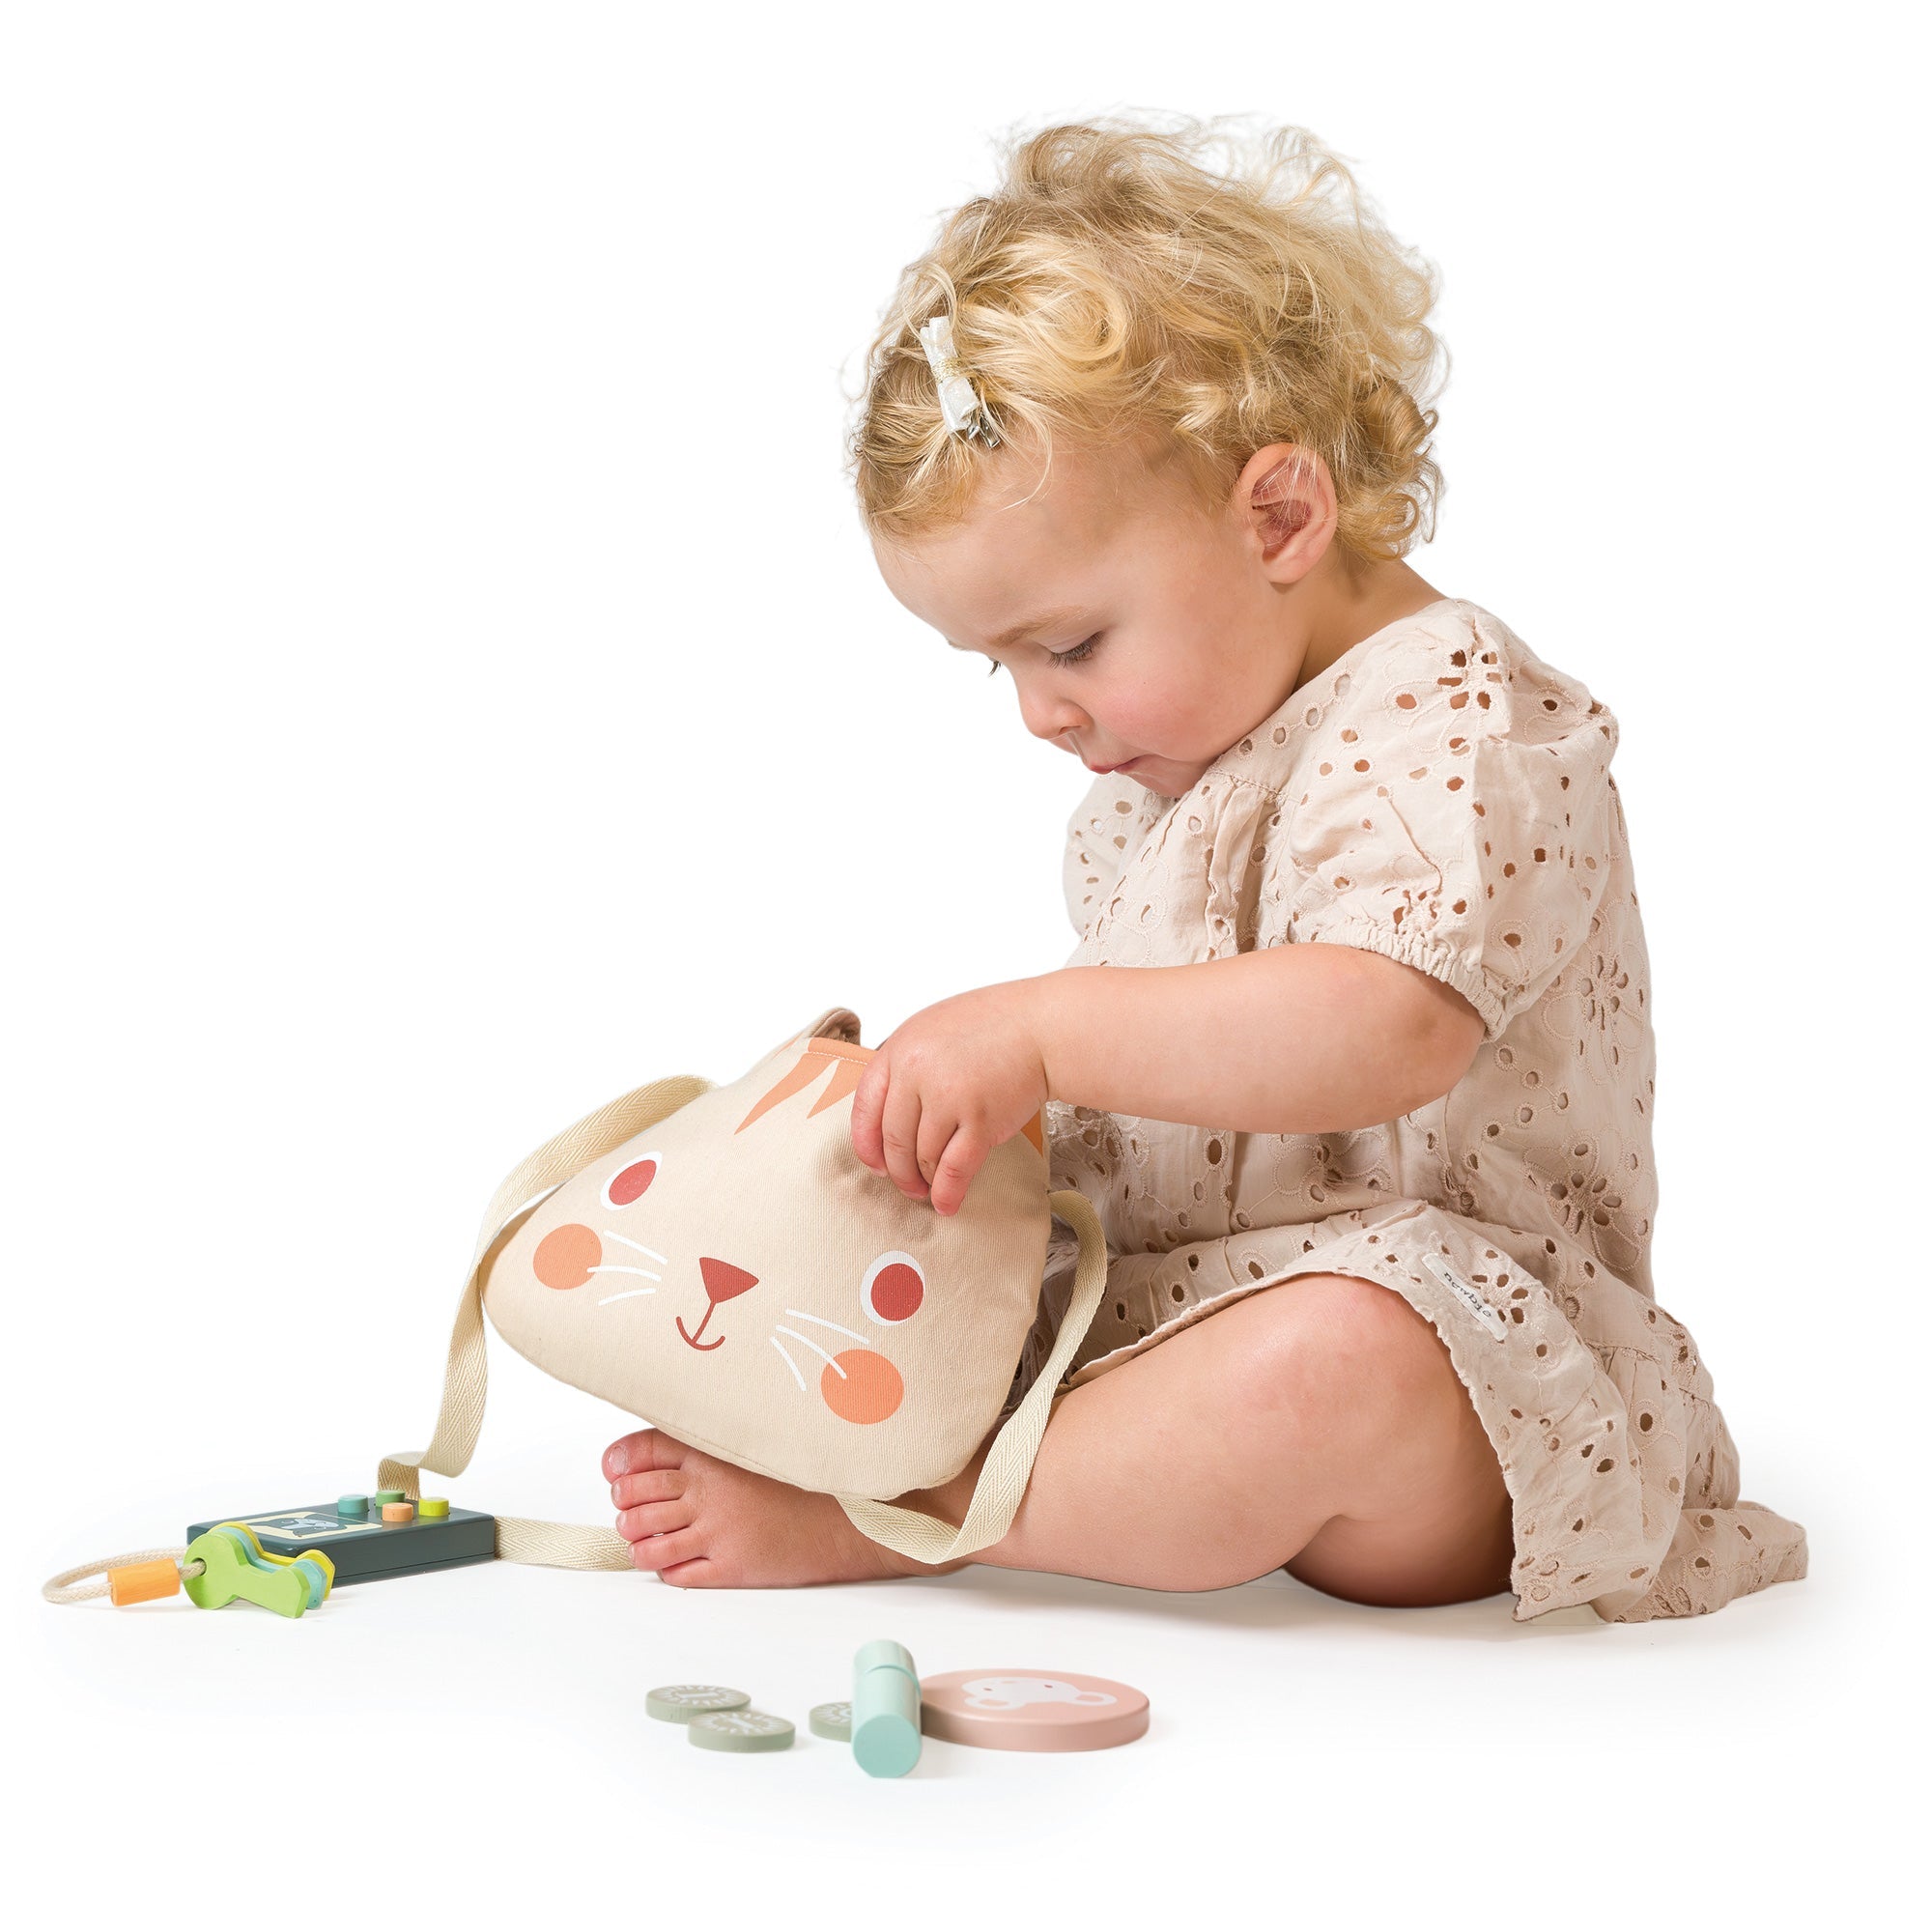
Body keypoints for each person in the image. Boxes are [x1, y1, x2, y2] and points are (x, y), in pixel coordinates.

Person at [602, 114, 1806, 1621]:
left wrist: (1042, 1031)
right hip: (1182, 1310)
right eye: (999, 667)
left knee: (1338, 1364)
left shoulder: (1463, 721)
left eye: (1072, 644)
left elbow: (1385, 1025)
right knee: (957, 1282)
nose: (1042, 713)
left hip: (1475, 1362)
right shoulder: (1168, 779)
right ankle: (943, 1434)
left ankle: (911, 1518)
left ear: (1281, 517)